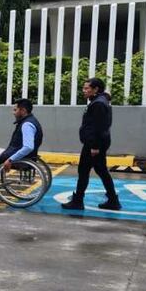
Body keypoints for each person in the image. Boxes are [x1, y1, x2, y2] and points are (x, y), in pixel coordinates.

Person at [62, 77, 121, 211]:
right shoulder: (100, 100)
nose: (84, 90)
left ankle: (78, 201)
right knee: (100, 171)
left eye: (87, 88)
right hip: (96, 143)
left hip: (94, 144)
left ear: (96, 89)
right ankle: (112, 199)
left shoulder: (98, 104)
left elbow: (99, 127)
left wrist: (94, 146)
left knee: (84, 171)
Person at [0, 98, 43, 191]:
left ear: (23, 110)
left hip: (17, 158)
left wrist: (10, 159)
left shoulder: (27, 125)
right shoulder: (31, 120)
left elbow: (28, 147)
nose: (13, 112)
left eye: (15, 110)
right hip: (18, 154)